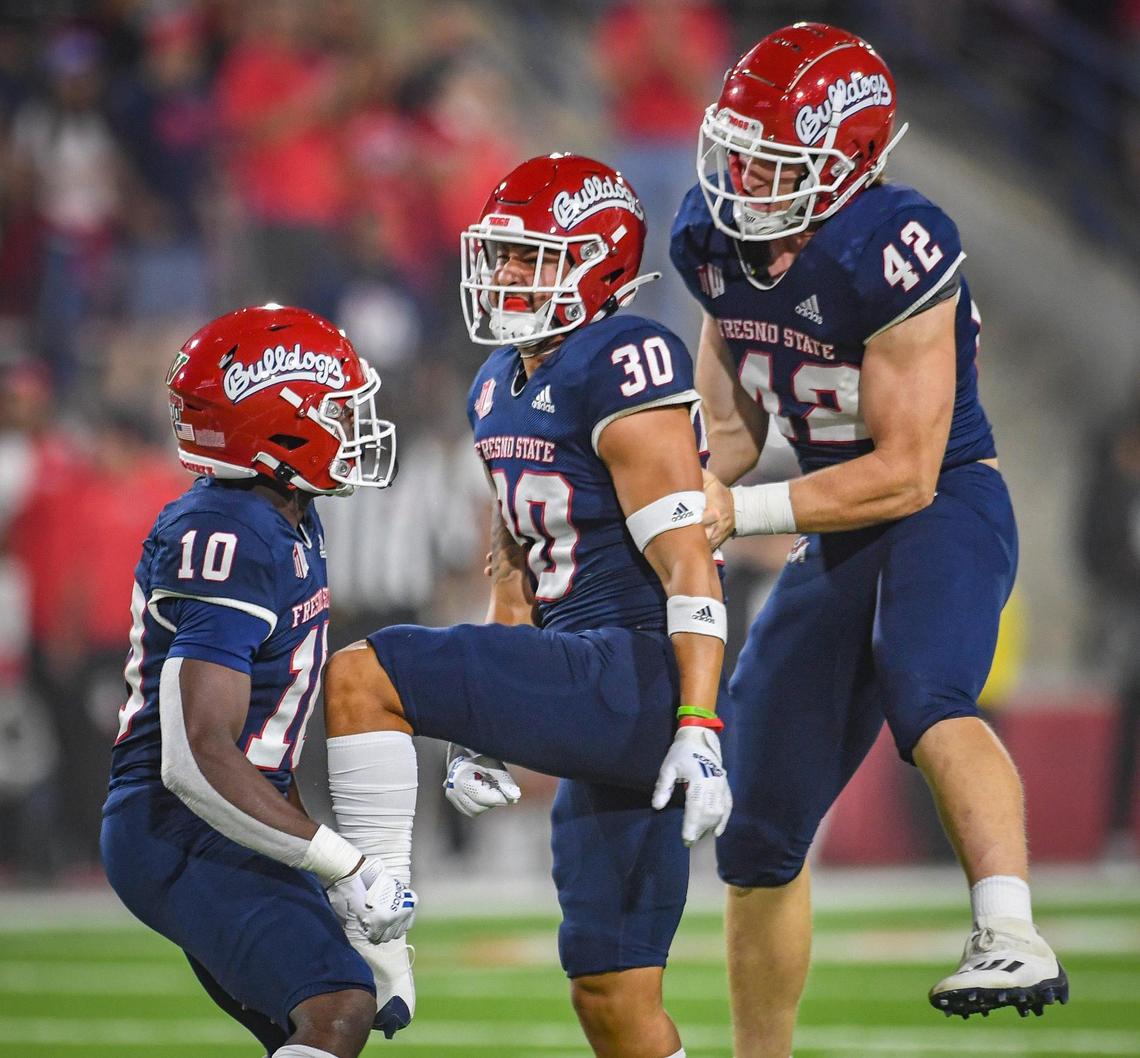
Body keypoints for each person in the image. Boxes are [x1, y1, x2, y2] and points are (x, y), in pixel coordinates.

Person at [668, 23, 1067, 1057]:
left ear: (846, 164)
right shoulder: (712, 238)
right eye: (741, 146)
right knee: (757, 835)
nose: (744, 174)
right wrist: (692, 491)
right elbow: (732, 424)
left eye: (775, 157)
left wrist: (739, 513)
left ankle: (1010, 928)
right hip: (831, 524)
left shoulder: (894, 245)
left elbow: (906, 469)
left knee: (927, 690)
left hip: (939, 505)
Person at [320, 152, 732, 1058]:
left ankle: (373, 925)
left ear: (598, 262)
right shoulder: (492, 382)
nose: (505, 274)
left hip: (633, 670)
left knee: (362, 674)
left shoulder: (625, 357)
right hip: (581, 680)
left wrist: (699, 723)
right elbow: (514, 566)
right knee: (612, 998)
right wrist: (484, 731)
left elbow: (689, 561)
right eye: (501, 253)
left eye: (530, 256)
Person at [100, 304, 415, 1058]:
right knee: (335, 1009)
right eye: (335, 409)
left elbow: (264, 741)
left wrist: (329, 875)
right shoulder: (225, 532)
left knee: (320, 1020)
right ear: (276, 424)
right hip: (175, 824)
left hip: (224, 816)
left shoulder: (286, 515)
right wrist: (340, 863)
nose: (352, 424)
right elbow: (196, 754)